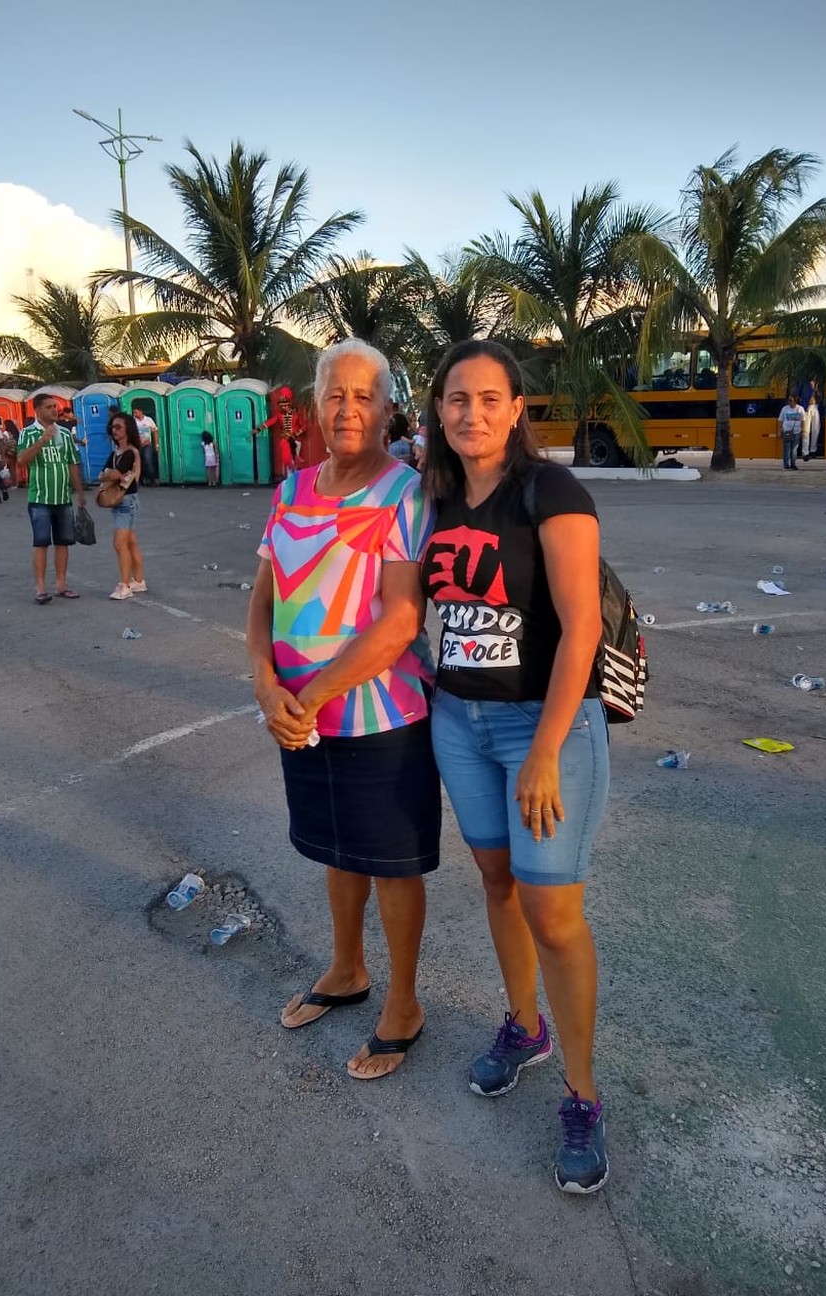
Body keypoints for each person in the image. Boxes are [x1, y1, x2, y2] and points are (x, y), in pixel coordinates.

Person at [420, 340, 610, 1195]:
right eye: (457, 399)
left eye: (489, 398)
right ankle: (523, 1028)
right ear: (438, 409)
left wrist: (543, 752)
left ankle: (583, 1093)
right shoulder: (433, 496)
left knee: (553, 912)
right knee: (497, 883)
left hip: (544, 724)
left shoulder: (551, 491)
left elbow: (582, 628)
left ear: (517, 408)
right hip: (458, 720)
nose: (473, 413)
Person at [246, 338, 440, 1080]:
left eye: (364, 396)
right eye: (336, 394)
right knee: (335, 847)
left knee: (391, 863)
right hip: (299, 716)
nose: (348, 409)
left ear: (388, 410)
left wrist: (310, 696)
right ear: (314, 406)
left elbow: (400, 620)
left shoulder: (404, 493)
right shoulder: (290, 491)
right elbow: (262, 601)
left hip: (381, 715)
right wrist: (265, 685)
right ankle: (347, 967)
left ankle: (404, 1003)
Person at [16, 393, 87, 604]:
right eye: (49, 407)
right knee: (41, 542)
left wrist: (80, 492)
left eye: (55, 406)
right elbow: (21, 459)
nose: (55, 410)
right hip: (40, 498)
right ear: (37, 410)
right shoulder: (28, 433)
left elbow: (72, 463)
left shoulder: (64, 433)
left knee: (63, 542)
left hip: (63, 497)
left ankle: (61, 585)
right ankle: (40, 588)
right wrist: (42, 441)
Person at [100, 412, 146, 599]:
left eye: (119, 427)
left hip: (127, 501)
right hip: (122, 500)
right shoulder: (115, 453)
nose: (114, 430)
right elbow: (103, 474)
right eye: (113, 427)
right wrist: (109, 474)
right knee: (130, 542)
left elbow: (113, 474)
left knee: (119, 544)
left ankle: (125, 585)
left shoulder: (130, 452)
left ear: (128, 429)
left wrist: (109, 473)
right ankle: (139, 580)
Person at [253, 386, 305, 478]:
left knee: (295, 460)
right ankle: (290, 478)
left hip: (295, 440)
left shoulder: (296, 414)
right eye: (282, 405)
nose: (284, 407)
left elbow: (304, 426)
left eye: (285, 405)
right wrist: (259, 429)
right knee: (287, 461)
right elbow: (270, 422)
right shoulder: (280, 415)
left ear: (289, 404)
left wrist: (296, 434)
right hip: (285, 440)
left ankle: (296, 478)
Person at [778, 396, 806, 470]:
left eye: (791, 400)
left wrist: (803, 431)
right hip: (787, 431)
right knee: (787, 449)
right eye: (788, 400)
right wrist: (780, 430)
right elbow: (780, 420)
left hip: (797, 431)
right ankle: (786, 465)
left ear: (795, 401)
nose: (789, 402)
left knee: (794, 449)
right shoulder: (785, 409)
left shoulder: (800, 409)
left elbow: (803, 420)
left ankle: (793, 464)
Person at [133, 406, 159, 485]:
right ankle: (140, 480)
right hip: (137, 445)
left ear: (141, 412)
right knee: (138, 462)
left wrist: (156, 444)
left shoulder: (148, 420)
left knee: (148, 460)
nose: (134, 414)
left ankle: (152, 479)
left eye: (136, 412)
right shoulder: (134, 420)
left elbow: (155, 431)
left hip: (147, 444)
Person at [801, 389, 820, 461]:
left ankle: (813, 450)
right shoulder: (805, 385)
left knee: (816, 430)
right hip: (807, 407)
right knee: (806, 431)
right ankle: (805, 452)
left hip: (816, 407)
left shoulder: (819, 385)